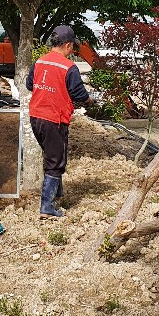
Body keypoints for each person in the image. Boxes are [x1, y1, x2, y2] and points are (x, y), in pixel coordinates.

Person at [26, 25, 91, 218]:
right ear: (68, 45)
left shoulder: (39, 61)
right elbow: (79, 94)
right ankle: (47, 207)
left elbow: (30, 84)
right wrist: (89, 101)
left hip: (36, 116)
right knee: (55, 161)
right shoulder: (69, 67)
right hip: (54, 118)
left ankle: (57, 193)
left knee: (53, 153)